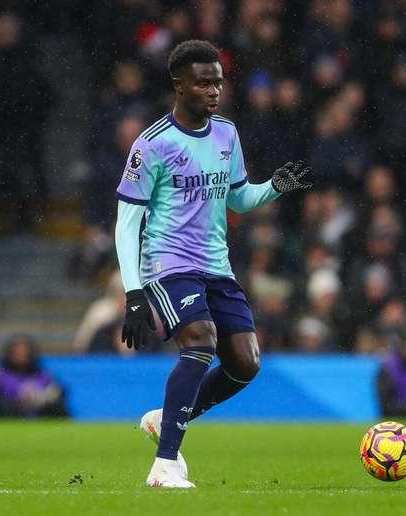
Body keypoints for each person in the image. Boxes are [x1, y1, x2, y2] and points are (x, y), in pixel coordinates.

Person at [114, 40, 312, 488]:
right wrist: (133, 293)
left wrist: (274, 187)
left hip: (216, 266)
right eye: (203, 83)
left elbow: (238, 197)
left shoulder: (226, 134)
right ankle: (165, 464)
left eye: (217, 82)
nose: (213, 91)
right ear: (179, 85)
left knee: (245, 362)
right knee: (201, 339)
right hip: (169, 265)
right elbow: (127, 224)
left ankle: (167, 418)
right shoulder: (152, 145)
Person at [0, 334, 68, 419]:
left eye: (25, 352)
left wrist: (43, 398)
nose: (21, 355)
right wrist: (19, 401)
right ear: (10, 353)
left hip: (41, 414)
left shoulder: (43, 375)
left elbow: (60, 392)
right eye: (17, 352)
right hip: (13, 416)